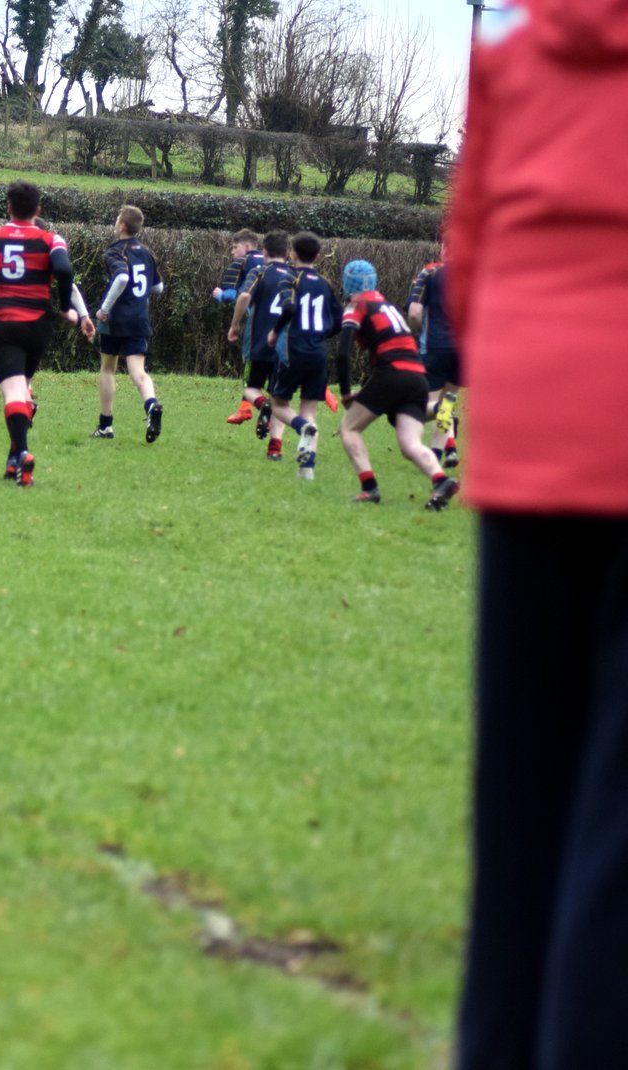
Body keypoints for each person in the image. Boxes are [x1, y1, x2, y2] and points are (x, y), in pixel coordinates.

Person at [449, 4, 628, 1064]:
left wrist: (532, 377)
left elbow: (468, 248)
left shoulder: (514, 39)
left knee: (521, 795)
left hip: (530, 428)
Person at [0, 180, 92, 485]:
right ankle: (13, 461)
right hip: (38, 325)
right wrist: (65, 307)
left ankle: (22, 453)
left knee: (13, 392)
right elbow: (64, 270)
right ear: (38, 209)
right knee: (23, 388)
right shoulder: (52, 240)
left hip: (4, 324)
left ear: (8, 208)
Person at [331, 259, 458, 509]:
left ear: (347, 283)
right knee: (409, 444)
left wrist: (345, 393)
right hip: (416, 374)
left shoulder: (356, 305)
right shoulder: (386, 304)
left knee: (349, 428)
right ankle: (441, 480)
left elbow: (343, 353)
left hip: (392, 373)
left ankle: (370, 489)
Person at [265, 232, 339, 481]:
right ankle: (307, 469)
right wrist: (322, 334)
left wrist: (275, 332)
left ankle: (300, 427)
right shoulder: (325, 284)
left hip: (293, 350)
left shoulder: (289, 278)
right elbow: (339, 320)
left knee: (279, 404)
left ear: (292, 253)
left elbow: (288, 307)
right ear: (317, 256)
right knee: (309, 409)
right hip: (318, 353)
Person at [91, 204, 164, 443]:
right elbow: (158, 287)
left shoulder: (115, 251)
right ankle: (151, 405)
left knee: (108, 369)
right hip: (139, 319)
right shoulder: (147, 252)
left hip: (115, 319)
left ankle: (105, 426)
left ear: (122, 226)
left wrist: (104, 309)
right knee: (138, 371)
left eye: (116, 219)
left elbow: (122, 277)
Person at [229, 231, 295, 459]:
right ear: (287, 253)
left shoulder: (260, 271)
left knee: (251, 387)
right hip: (285, 346)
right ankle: (275, 448)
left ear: (264, 252)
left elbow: (244, 297)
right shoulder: (295, 276)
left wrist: (235, 325)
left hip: (260, 341)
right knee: (280, 399)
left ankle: (261, 404)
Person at [407, 249, 460, 468]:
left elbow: (414, 313)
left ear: (444, 248)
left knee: (432, 403)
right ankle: (447, 451)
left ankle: (436, 456)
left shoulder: (429, 272)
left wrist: (419, 331)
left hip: (435, 345)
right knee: (447, 401)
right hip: (464, 348)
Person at [214, 228, 267, 425]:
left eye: (234, 247)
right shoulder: (270, 261)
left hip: (259, 322)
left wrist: (220, 295)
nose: (232, 252)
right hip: (280, 322)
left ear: (246, 246)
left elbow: (238, 294)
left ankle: (251, 408)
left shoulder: (246, 263)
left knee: (251, 364)